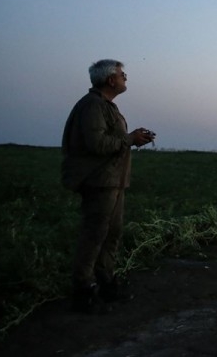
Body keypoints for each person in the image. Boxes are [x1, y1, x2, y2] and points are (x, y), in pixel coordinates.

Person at [61, 59, 155, 313]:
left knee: (111, 234)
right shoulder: (92, 106)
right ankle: (83, 291)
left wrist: (133, 139)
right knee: (94, 236)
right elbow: (97, 144)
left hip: (113, 182)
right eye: (122, 74)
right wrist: (129, 138)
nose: (126, 77)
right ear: (110, 80)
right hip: (99, 182)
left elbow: (111, 141)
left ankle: (106, 284)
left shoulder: (107, 106)